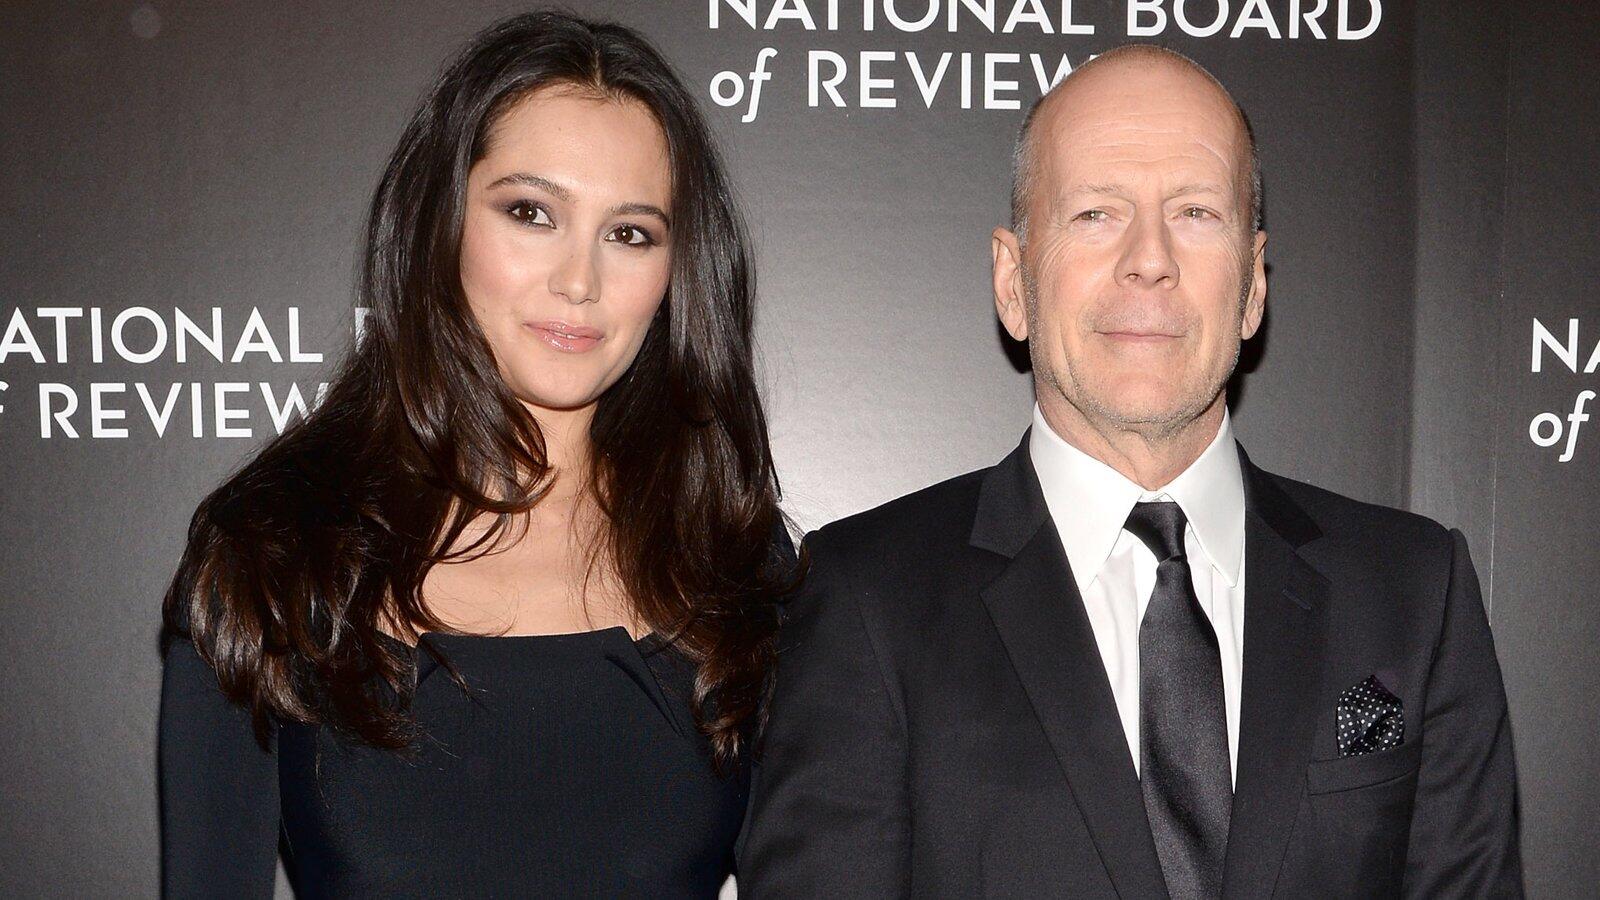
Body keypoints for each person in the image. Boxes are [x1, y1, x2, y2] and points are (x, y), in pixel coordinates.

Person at [740, 45, 1521, 898]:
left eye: (1195, 212)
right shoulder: (865, 596)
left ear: (1254, 286)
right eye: (1095, 214)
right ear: (1013, 281)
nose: (1150, 258)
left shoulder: (1413, 591)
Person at [160, 11, 792, 898]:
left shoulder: (734, 566)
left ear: (677, 270)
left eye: (629, 233)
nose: (579, 281)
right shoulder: (272, 554)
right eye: (531, 213)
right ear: (441, 223)